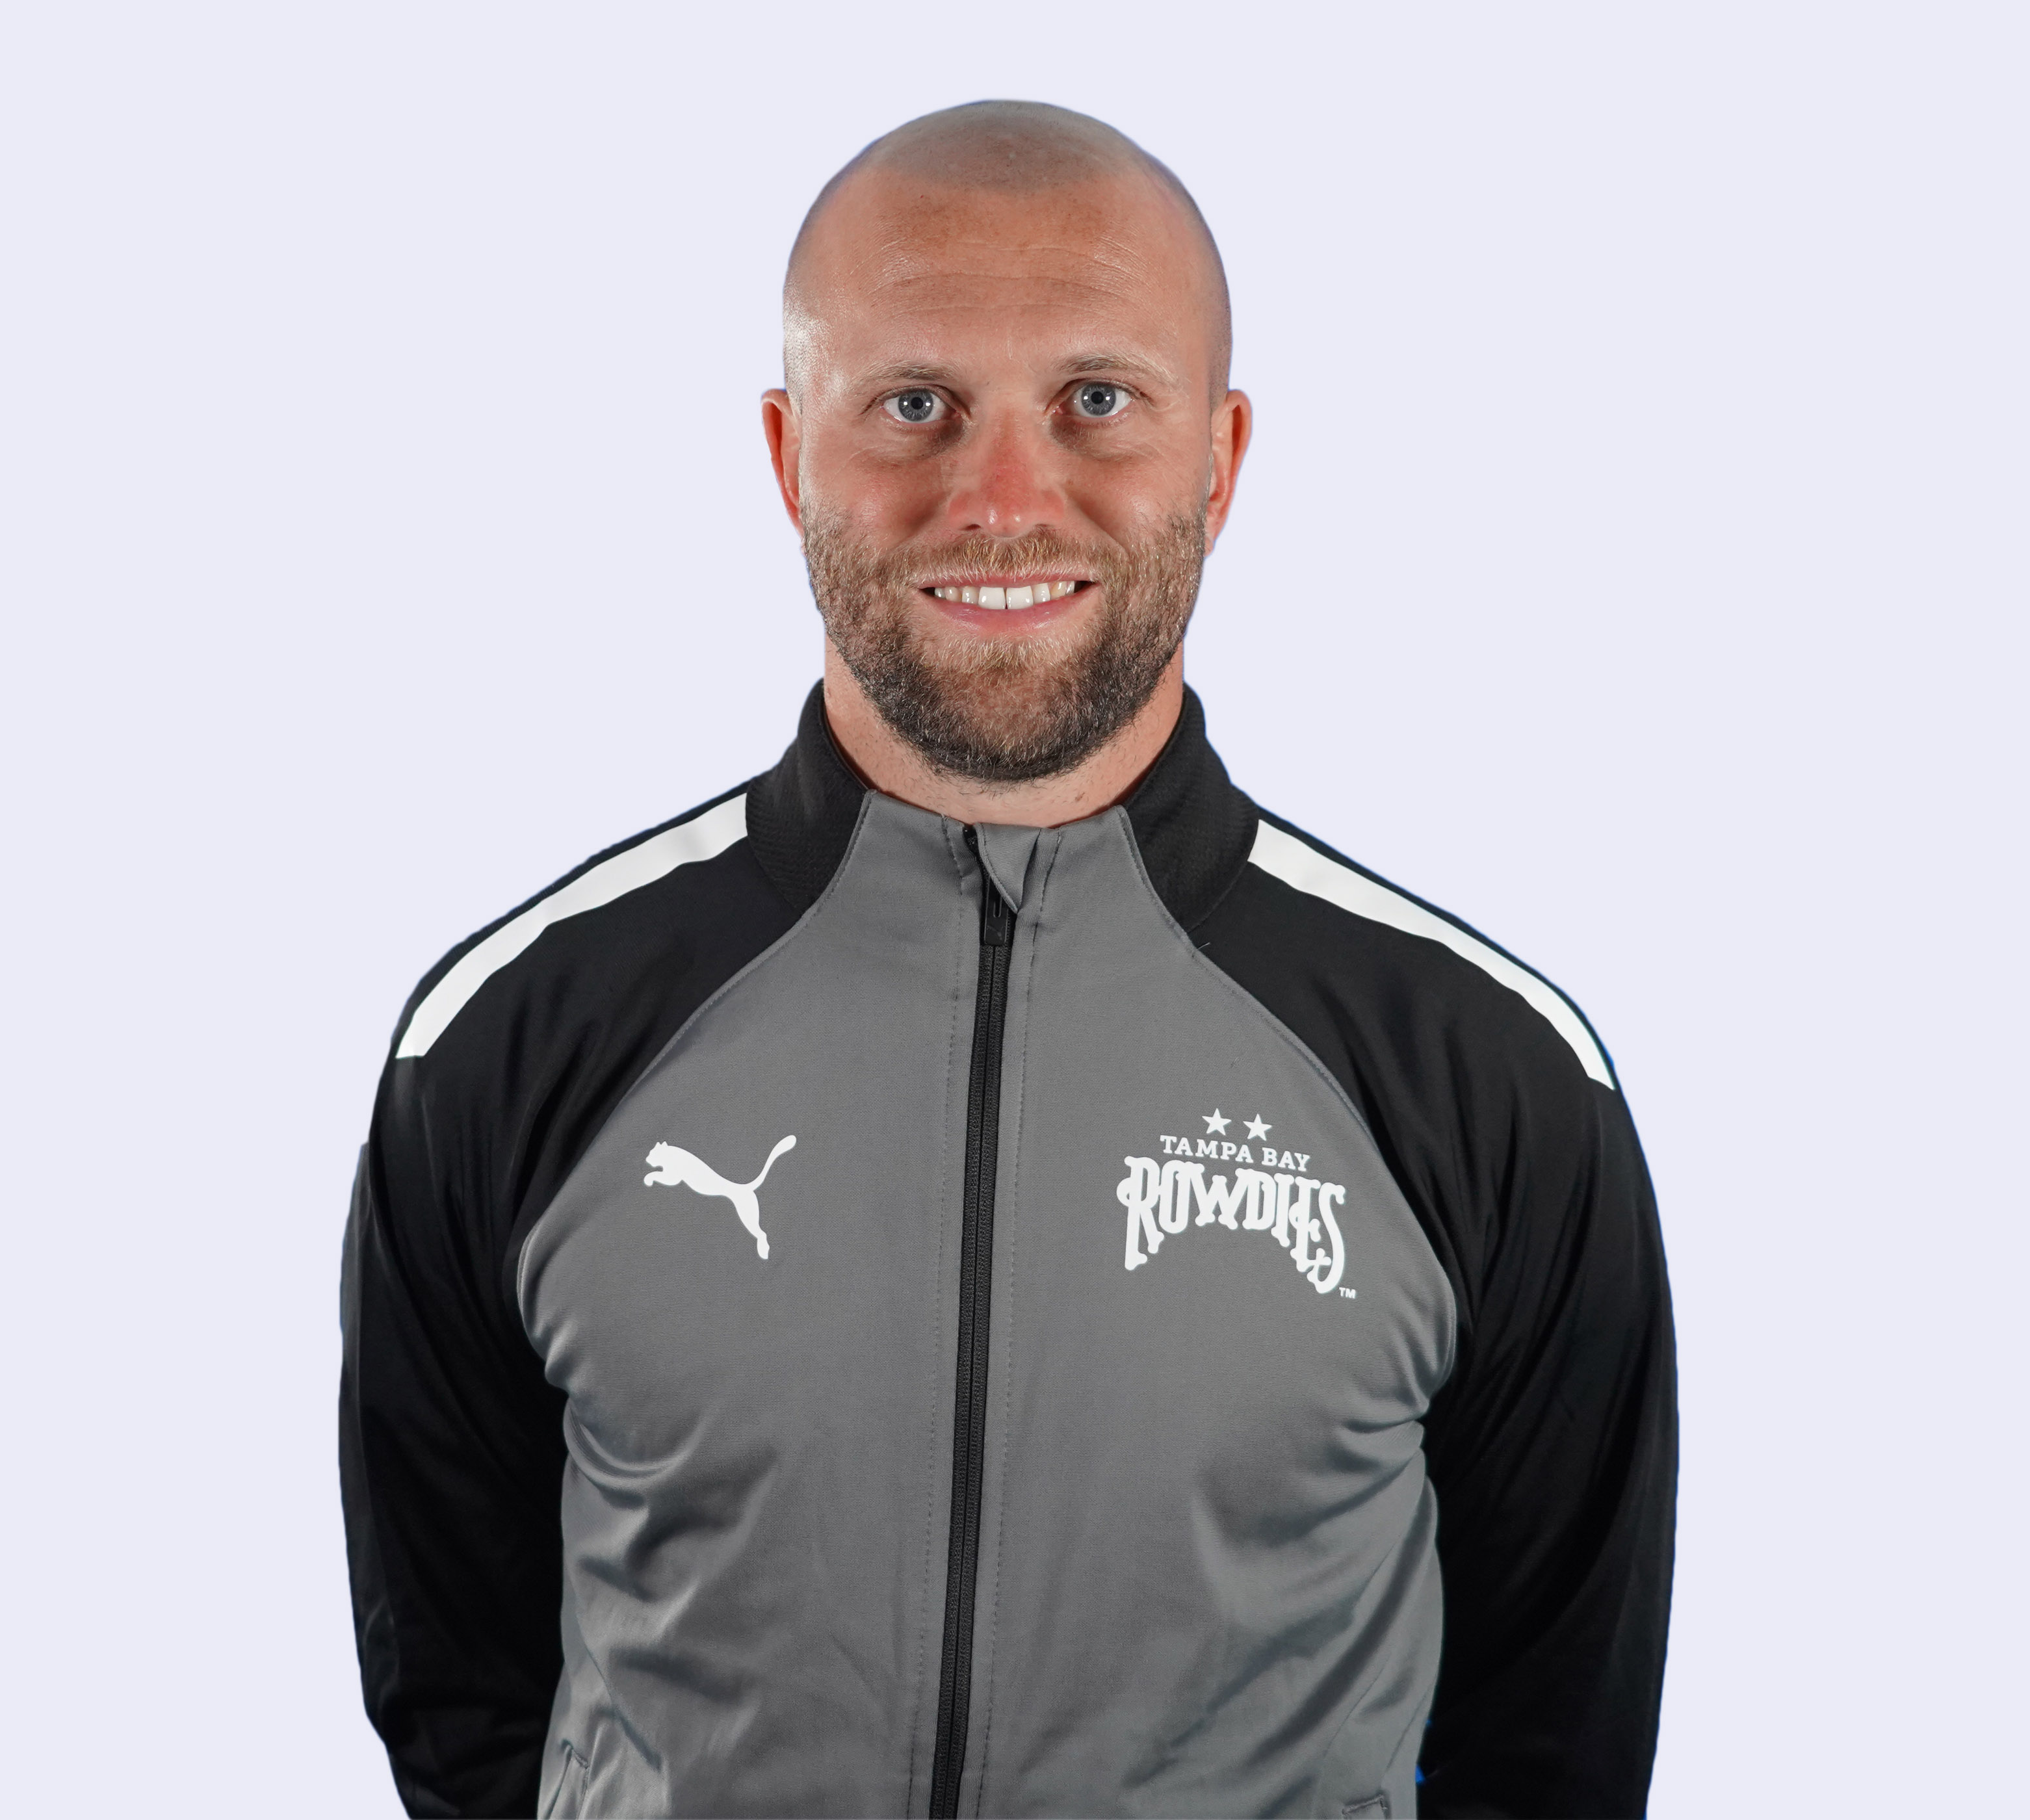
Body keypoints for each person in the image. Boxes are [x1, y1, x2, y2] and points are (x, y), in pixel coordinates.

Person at [339, 101, 1676, 1820]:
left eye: (1096, 401)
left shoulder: (1479, 1075)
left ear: (1221, 459)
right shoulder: (516, 1039)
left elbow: (1551, 1752)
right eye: (914, 405)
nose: (1001, 501)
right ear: (787, 455)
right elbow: (461, 1705)